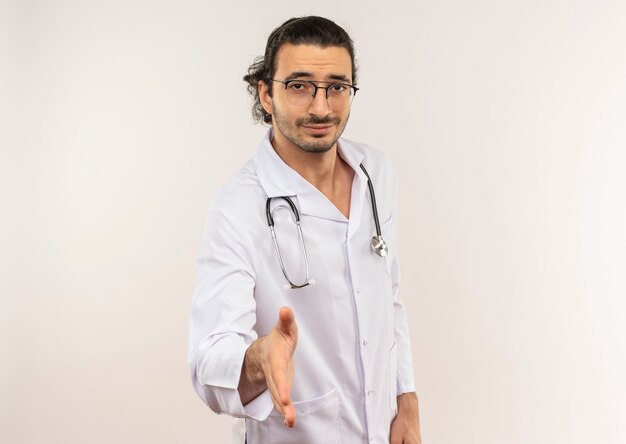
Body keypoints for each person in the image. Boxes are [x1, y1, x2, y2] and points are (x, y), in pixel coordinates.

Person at [187, 16, 422, 444]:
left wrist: (406, 402)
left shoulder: (376, 176)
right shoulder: (237, 208)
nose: (321, 107)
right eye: (299, 86)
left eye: (337, 86)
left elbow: (389, 300)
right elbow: (208, 359)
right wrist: (260, 359)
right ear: (266, 93)